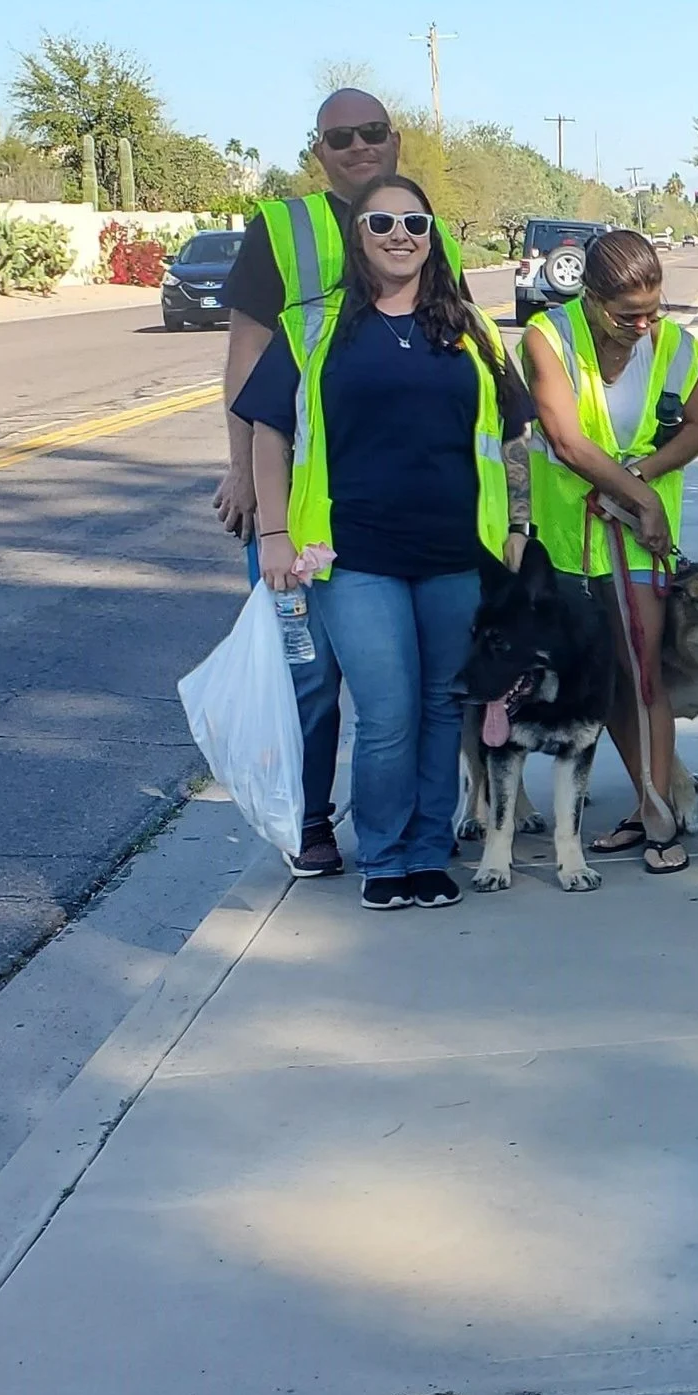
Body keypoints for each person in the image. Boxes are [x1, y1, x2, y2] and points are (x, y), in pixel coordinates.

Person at [235, 174, 526, 912]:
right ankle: (385, 855)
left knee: (439, 709)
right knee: (387, 711)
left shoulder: (474, 331)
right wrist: (274, 533)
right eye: (382, 223)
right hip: (354, 556)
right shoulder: (313, 327)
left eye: (415, 224)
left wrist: (518, 527)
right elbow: (271, 435)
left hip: (456, 555)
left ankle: (430, 856)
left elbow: (513, 440)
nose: (401, 236)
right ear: (357, 239)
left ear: (433, 237)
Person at [211, 87, 465, 879]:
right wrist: (245, 474)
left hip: (406, 518)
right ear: (318, 151)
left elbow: (449, 340)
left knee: (414, 695)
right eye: (339, 137)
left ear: (396, 139)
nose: (358, 147)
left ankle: (411, 830)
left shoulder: (426, 226)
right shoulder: (280, 229)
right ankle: (311, 820)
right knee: (310, 675)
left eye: (372, 133)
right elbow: (248, 358)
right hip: (305, 509)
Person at [524, 228, 698, 875]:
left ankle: (663, 818)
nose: (642, 324)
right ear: (592, 298)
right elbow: (568, 441)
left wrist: (647, 478)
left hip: (637, 542)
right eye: (628, 313)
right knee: (605, 684)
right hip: (573, 540)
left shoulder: (672, 345)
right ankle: (644, 799)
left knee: (644, 672)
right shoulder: (548, 338)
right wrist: (645, 497)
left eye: (653, 309)